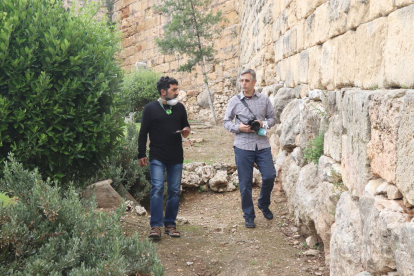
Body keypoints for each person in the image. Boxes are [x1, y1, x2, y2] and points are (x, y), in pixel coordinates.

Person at [138, 76, 191, 239]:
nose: (177, 92)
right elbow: (143, 133)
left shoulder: (180, 108)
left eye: (177, 89)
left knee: (174, 191)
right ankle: (155, 226)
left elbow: (186, 125)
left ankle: (170, 224)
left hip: (176, 156)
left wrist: (186, 130)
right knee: (157, 188)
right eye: (173, 90)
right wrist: (141, 154)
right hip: (157, 156)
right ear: (163, 92)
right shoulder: (150, 108)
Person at [223, 69, 276, 228]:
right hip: (242, 145)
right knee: (245, 183)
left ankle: (263, 203)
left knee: (269, 176)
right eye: (241, 81)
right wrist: (238, 127)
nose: (243, 84)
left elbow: (272, 119)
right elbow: (226, 122)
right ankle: (248, 215)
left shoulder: (264, 99)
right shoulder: (234, 101)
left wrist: (262, 124)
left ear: (254, 82)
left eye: (246, 81)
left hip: (262, 144)